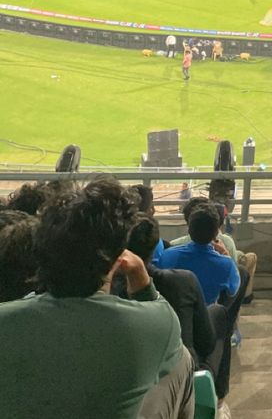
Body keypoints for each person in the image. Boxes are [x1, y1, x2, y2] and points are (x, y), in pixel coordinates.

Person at [0, 178, 194, 419]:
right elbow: (158, 315)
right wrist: (141, 278)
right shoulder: (159, 325)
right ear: (117, 259)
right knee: (184, 359)